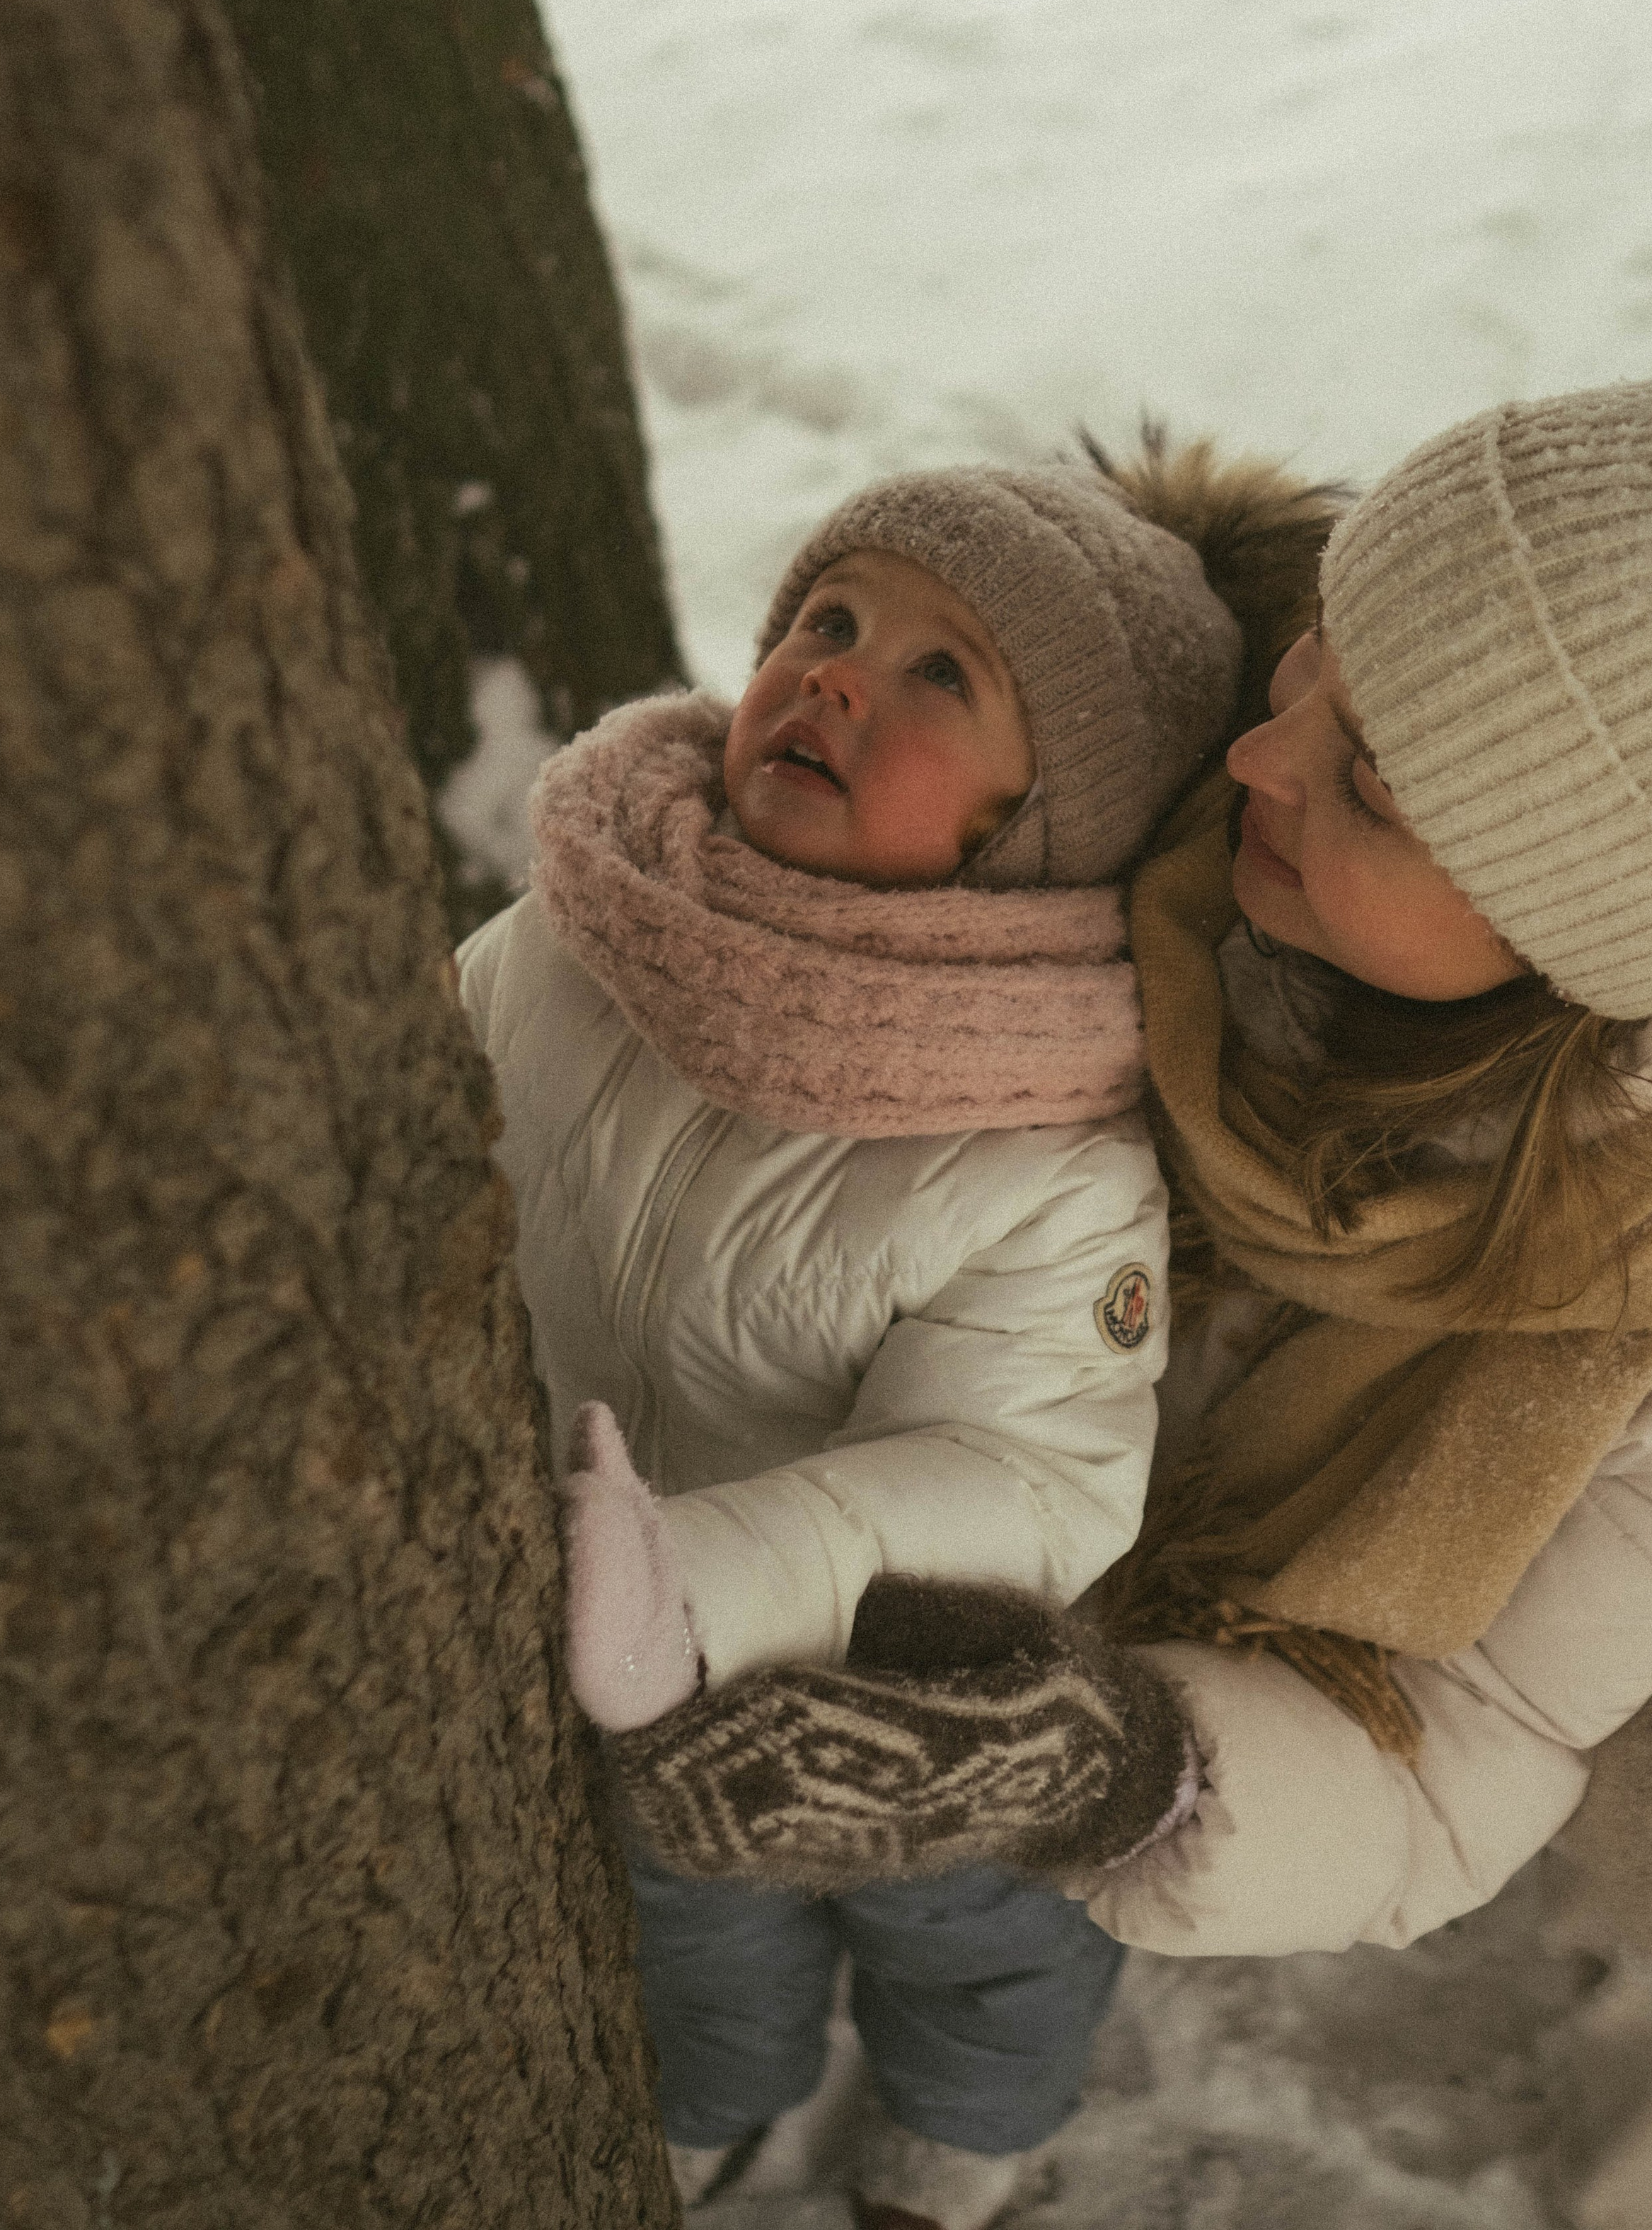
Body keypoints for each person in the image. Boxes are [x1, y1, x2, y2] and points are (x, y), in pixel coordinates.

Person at [611, 373, 1652, 2229]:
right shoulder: (1133, 765)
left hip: (1170, 1717)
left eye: (1367, 781)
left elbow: (1462, 1745)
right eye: (1312, 656)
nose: (1256, 753)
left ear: (1579, 955)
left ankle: (965, 2124)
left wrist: (1122, 1771)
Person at [456, 463, 1242, 2224]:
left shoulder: (1045, 1146)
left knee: (970, 1935)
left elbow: (1022, 1471)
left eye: (936, 673)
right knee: (679, 1912)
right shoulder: (580, 936)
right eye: (825, 620)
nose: (830, 674)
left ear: (1041, 821)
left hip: (911, 1695)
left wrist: (701, 1582)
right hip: (601, 1636)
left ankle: (968, 2122)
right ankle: (713, 2094)